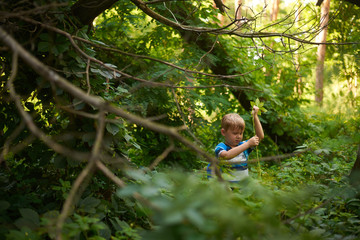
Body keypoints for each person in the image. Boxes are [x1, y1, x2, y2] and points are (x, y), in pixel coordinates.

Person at [207, 106, 264, 182]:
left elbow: (260, 136)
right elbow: (226, 156)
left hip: (243, 187)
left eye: (241, 133)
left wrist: (255, 116)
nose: (238, 136)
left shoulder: (243, 146)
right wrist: (248, 144)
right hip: (228, 188)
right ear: (223, 132)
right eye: (235, 133)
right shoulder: (221, 147)